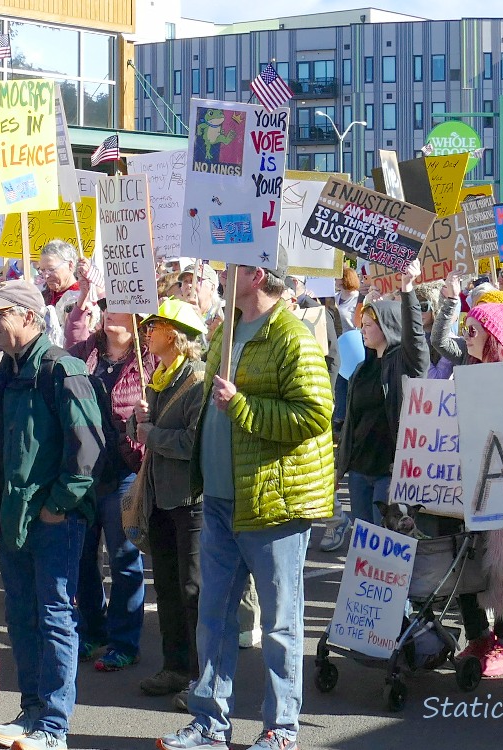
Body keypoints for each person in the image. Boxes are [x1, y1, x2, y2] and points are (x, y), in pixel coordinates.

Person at [157, 260, 335, 750]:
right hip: (217, 499)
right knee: (212, 619)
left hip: (271, 505)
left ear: (256, 275)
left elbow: (317, 413)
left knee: (279, 624)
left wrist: (241, 405)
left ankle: (281, 729)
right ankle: (210, 722)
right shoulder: (227, 330)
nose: (220, 275)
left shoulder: (291, 335)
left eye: (231, 267)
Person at [0, 280, 105, 750]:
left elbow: (87, 452)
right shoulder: (4, 374)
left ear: (28, 317)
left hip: (53, 523)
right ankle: (31, 712)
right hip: (13, 520)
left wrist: (56, 507)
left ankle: (53, 727)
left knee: (55, 621)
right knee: (23, 618)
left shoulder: (61, 371)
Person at [450, 301, 503, 679]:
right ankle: (479, 637)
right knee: (466, 563)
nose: (466, 337)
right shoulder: (464, 373)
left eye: (473, 330)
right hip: (469, 487)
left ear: (492, 337)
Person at [129, 299, 207, 702]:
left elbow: (194, 443)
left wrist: (151, 434)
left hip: (190, 500)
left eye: (155, 325)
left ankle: (200, 675)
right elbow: (143, 427)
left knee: (192, 589)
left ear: (175, 334)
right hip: (161, 497)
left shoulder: (196, 381)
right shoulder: (158, 376)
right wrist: (136, 419)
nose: (147, 331)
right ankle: (174, 667)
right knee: (167, 587)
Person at [68, 305, 153, 672]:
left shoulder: (145, 364)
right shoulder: (87, 353)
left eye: (119, 311)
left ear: (136, 323)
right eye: (107, 310)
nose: (109, 315)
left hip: (124, 472)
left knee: (123, 559)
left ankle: (124, 641)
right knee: (84, 557)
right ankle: (92, 630)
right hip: (86, 472)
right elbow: (69, 340)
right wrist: (83, 297)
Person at [337, 260, 429, 528]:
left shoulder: (405, 362)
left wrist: (407, 289)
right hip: (359, 471)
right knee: (362, 542)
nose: (362, 330)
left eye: (368, 325)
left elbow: (414, 335)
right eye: (362, 324)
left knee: (385, 541)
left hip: (390, 470)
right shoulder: (363, 367)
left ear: (387, 326)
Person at [335, 267, 360, 333]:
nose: (335, 280)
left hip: (351, 338)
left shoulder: (358, 299)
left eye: (337, 278)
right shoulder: (334, 297)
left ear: (345, 279)